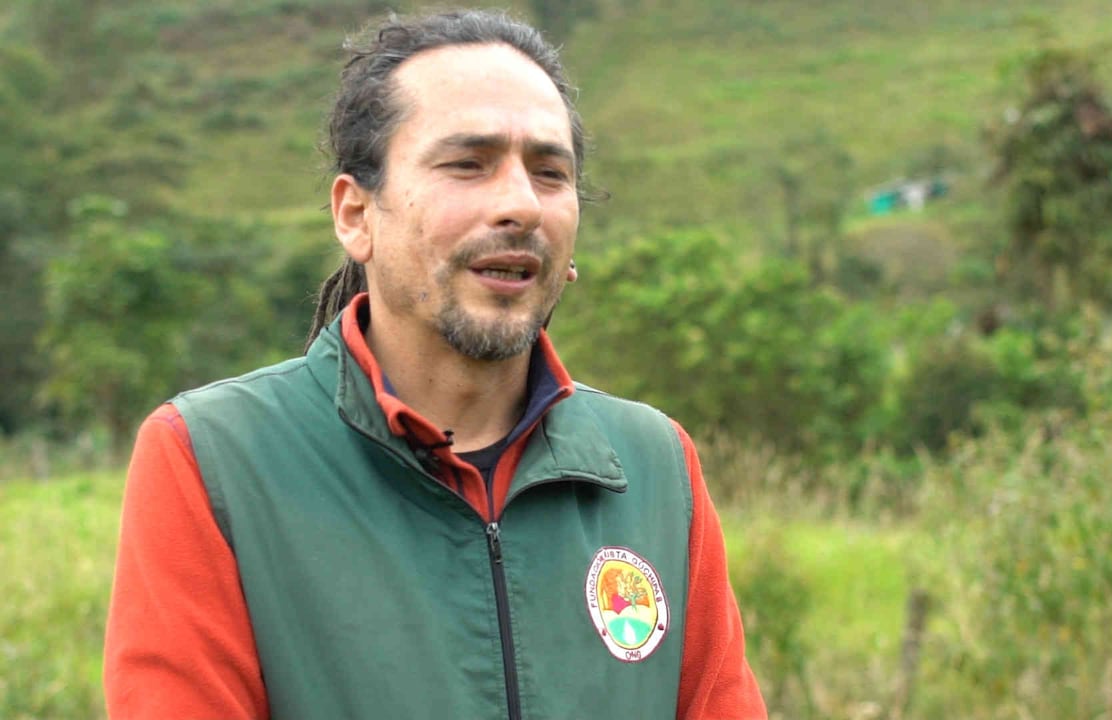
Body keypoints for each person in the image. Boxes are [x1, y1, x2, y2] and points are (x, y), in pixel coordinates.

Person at [103, 8, 766, 719]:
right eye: (466, 164)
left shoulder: (654, 466)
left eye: (549, 172)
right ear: (356, 215)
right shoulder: (214, 459)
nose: (520, 204)